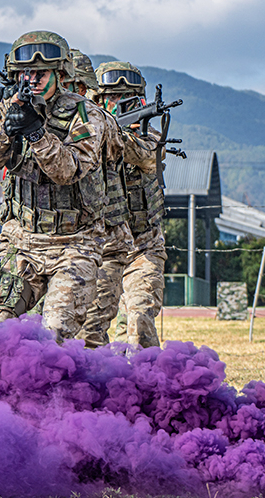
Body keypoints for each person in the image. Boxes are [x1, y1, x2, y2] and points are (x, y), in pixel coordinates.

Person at [0, 31, 108, 340]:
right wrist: (8, 128)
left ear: (60, 74)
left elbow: (69, 169)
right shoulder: (8, 107)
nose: (31, 79)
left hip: (74, 244)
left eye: (40, 73)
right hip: (21, 242)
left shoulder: (84, 113)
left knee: (55, 335)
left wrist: (36, 132)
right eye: (25, 72)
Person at [91, 60, 168, 348]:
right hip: (102, 249)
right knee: (90, 328)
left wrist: (119, 133)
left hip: (142, 246)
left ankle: (143, 385)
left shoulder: (150, 138)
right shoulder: (85, 137)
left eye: (129, 98)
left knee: (139, 322)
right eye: (112, 97)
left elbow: (148, 156)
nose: (120, 103)